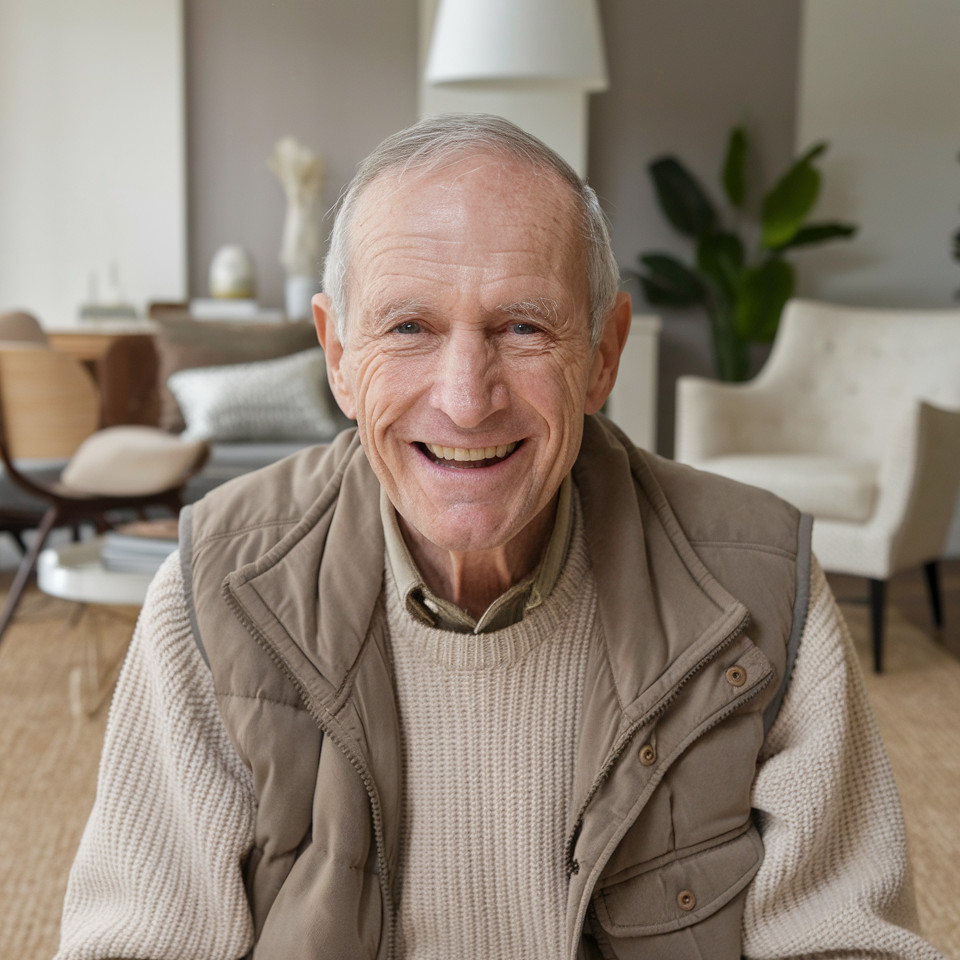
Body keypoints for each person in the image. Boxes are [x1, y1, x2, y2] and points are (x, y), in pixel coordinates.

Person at [56, 115, 944, 960]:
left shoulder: (760, 590)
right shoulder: (214, 595)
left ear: (603, 354)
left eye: (523, 326)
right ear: (337, 356)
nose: (466, 397)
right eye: (409, 327)